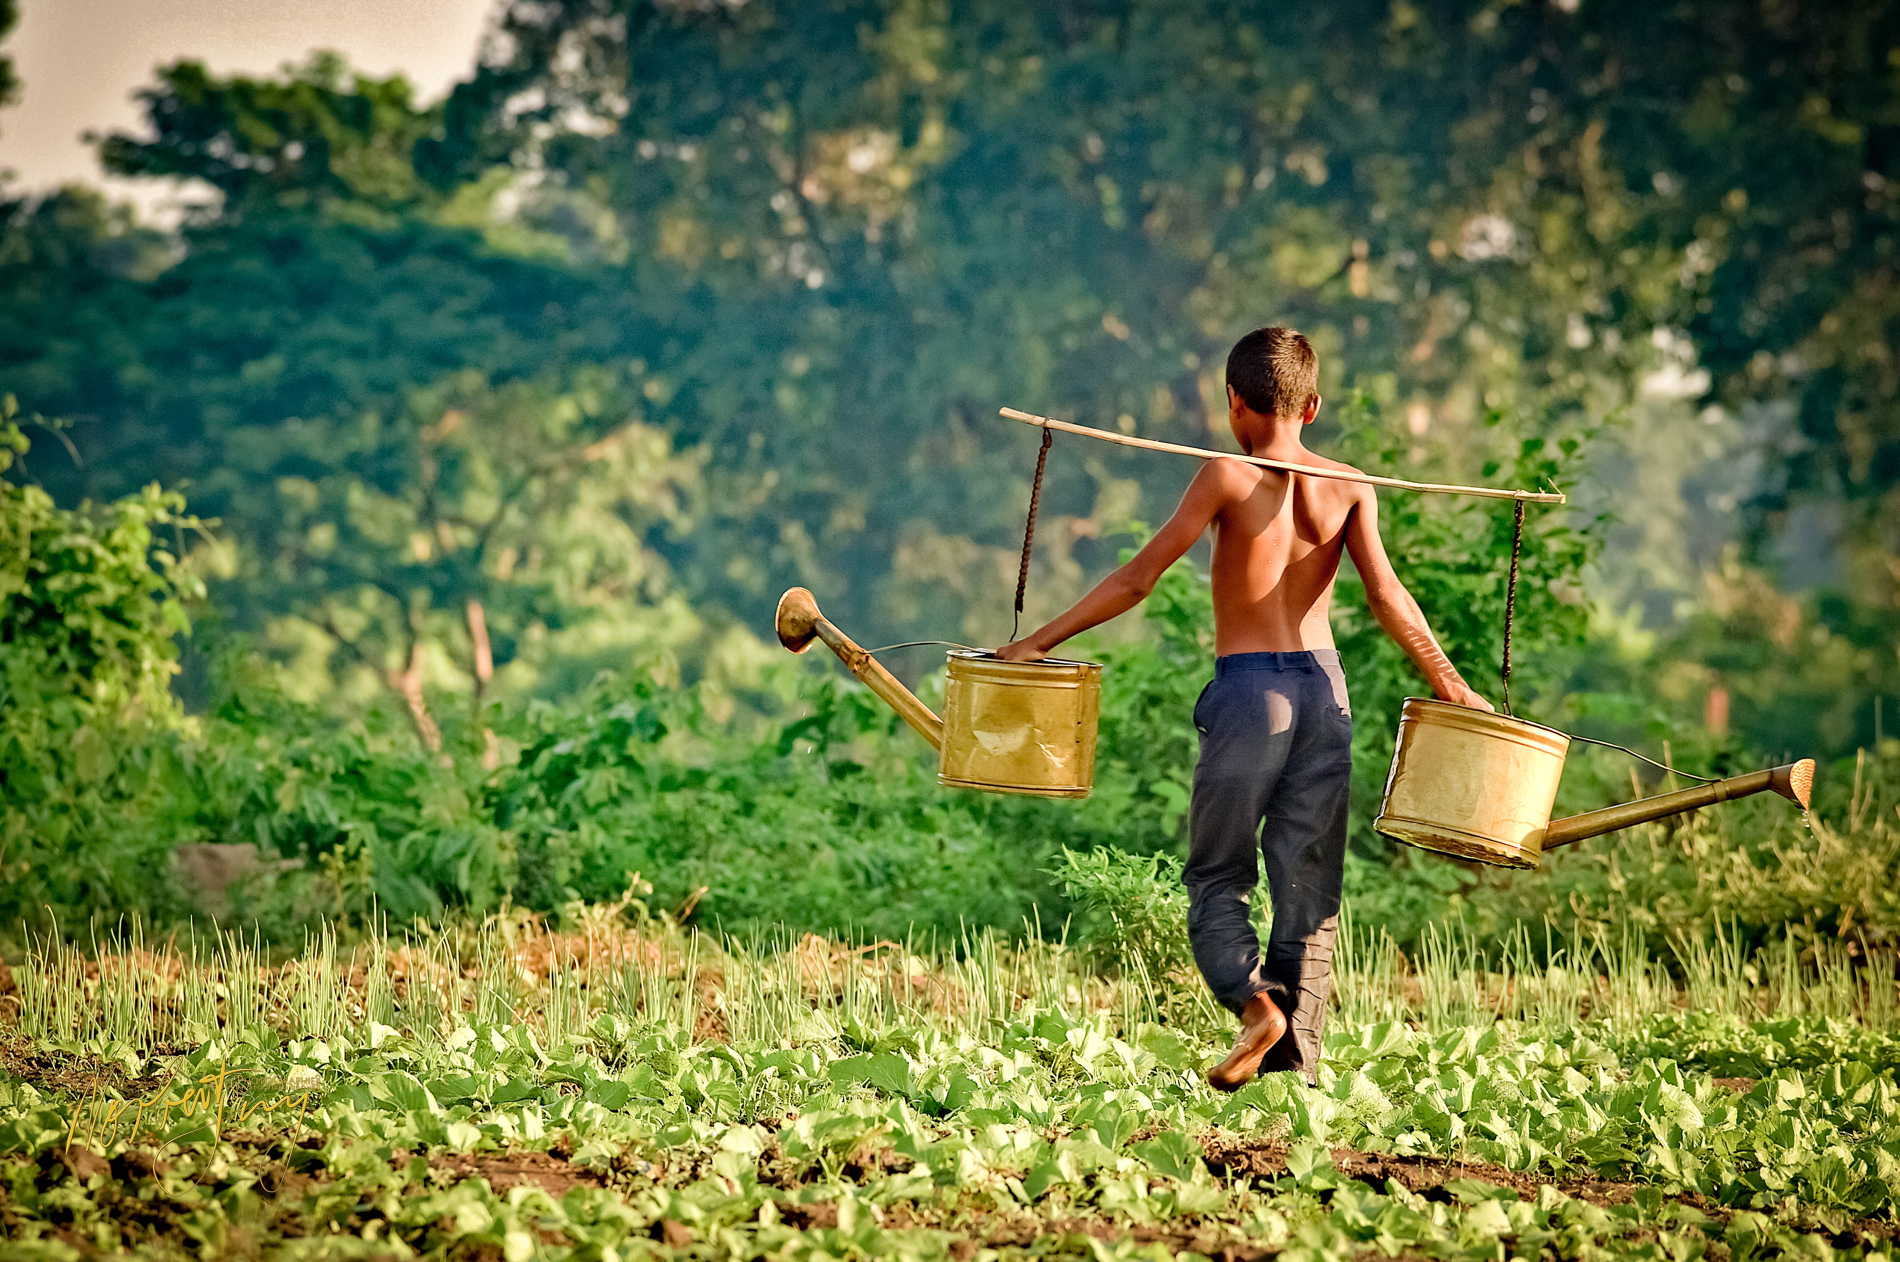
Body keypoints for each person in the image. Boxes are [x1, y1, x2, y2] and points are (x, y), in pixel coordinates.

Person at [995, 326, 1492, 1091]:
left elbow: (1138, 580)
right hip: (1327, 699)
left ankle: (1256, 1005)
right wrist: (1452, 685)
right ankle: (1300, 1080)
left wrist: (1037, 642)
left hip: (1251, 691)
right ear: (1314, 406)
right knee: (1309, 888)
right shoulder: (1351, 484)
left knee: (1218, 878)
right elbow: (1389, 599)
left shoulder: (1225, 474)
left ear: (1234, 403)